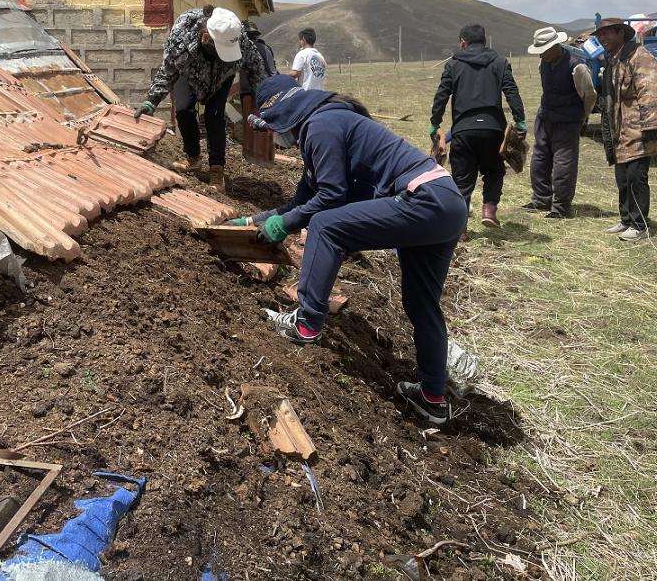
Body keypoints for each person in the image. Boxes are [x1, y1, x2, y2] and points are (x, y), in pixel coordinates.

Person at [229, 74, 467, 425]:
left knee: (325, 227)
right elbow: (301, 201)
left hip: (422, 199)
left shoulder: (319, 127)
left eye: (270, 128)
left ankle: (307, 323)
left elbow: (329, 199)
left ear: (283, 113)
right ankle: (433, 397)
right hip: (446, 203)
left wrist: (286, 226)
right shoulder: (324, 123)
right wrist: (255, 220)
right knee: (421, 303)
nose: (274, 138)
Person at [134, 5, 269, 191]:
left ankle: (217, 169)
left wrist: (267, 101)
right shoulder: (183, 33)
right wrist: (152, 100)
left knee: (214, 116)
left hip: (222, 77)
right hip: (189, 71)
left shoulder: (239, 37)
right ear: (206, 37)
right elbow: (169, 69)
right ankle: (193, 158)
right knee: (183, 110)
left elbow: (256, 69)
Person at [595, 18, 657, 241]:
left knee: (636, 175)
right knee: (622, 175)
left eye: (607, 33)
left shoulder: (640, 57)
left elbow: (650, 91)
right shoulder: (615, 60)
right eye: (600, 35)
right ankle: (626, 218)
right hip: (623, 127)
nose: (602, 38)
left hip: (640, 126)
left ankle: (639, 224)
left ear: (621, 34)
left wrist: (651, 125)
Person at [429, 24, 526, 228]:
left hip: (463, 130)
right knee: (494, 170)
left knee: (462, 178)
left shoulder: (453, 65)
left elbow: (442, 95)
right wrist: (520, 120)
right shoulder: (499, 62)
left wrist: (435, 123)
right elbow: (512, 92)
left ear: (463, 42)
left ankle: (460, 227)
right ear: (484, 41)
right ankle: (489, 210)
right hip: (493, 129)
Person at [522, 26, 597, 219]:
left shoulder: (577, 67)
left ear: (555, 46)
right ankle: (541, 200)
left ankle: (561, 207)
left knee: (564, 162)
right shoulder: (543, 64)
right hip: (546, 116)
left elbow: (589, 95)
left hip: (568, 120)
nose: (541, 56)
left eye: (543, 51)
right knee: (539, 158)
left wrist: (582, 116)